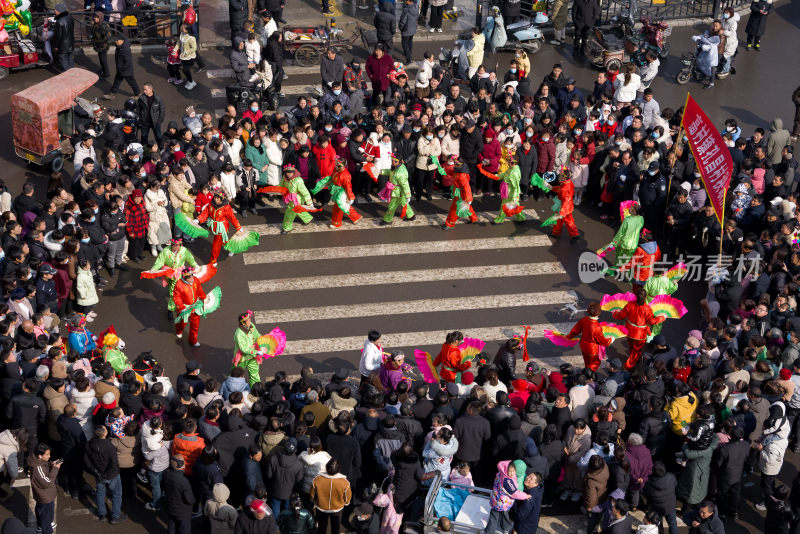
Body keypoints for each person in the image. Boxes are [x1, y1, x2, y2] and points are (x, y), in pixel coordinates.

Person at [612, 289, 664, 370]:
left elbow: (621, 315)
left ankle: (635, 357)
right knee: (635, 350)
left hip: (629, 331)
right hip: (640, 335)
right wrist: (661, 317)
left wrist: (615, 313)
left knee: (632, 347)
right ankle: (628, 365)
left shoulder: (630, 305)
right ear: (646, 297)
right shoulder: (647, 308)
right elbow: (652, 321)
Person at [84, 426, 125, 523]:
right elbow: (114, 464)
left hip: (99, 474)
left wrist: (96, 472)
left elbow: (87, 461)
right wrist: (106, 475)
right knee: (116, 495)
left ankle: (102, 515)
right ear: (104, 434)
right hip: (111, 475)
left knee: (100, 494)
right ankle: (115, 516)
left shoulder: (89, 444)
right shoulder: (110, 446)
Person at [196, 191, 243, 264]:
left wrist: (238, 227)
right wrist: (198, 219)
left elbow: (232, 218)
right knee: (223, 239)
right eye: (215, 197)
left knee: (216, 244)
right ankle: (231, 248)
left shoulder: (226, 207)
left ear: (222, 199)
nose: (216, 199)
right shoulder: (210, 205)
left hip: (221, 228)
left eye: (218, 198)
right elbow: (205, 213)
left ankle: (213, 261)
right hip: (213, 226)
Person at [567, 302, 613, 371]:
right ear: (598, 313)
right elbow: (602, 340)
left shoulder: (584, 319)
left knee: (587, 361)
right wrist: (610, 339)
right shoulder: (596, 327)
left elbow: (575, 330)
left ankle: (587, 371)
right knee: (595, 363)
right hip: (592, 349)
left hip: (583, 345)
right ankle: (590, 375)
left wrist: (568, 336)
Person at [311, 458, 351, 534]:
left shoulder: (317, 479)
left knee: (321, 528)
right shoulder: (345, 482)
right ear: (338, 469)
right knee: (336, 528)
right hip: (337, 509)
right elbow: (347, 498)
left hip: (321, 508)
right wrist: (345, 503)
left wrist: (316, 501)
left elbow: (312, 495)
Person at [29, 442, 62, 534]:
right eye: (47, 454)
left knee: (41, 510)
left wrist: (51, 464)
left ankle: (40, 526)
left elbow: (44, 466)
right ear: (39, 456)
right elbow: (46, 482)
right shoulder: (38, 468)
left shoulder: (37, 461)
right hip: (45, 496)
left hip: (41, 496)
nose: (49, 456)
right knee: (46, 515)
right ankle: (47, 530)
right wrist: (55, 468)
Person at [172, 266, 207, 347]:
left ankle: (193, 340)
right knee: (182, 322)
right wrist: (181, 307)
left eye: (192, 275)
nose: (191, 278)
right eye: (188, 277)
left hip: (195, 306)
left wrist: (204, 297)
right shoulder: (179, 284)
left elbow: (199, 289)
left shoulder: (196, 281)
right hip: (185, 308)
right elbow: (176, 297)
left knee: (195, 325)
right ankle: (179, 330)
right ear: (184, 278)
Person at [163, 454, 195, 534]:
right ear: (181, 465)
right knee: (184, 530)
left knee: (171, 528)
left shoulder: (166, 473)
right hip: (183, 512)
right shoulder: (184, 481)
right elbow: (190, 500)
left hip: (170, 508)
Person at [442, 156, 477, 228]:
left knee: (454, 209)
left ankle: (450, 223)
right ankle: (474, 218)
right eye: (454, 162)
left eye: (455, 163)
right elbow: (452, 172)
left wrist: (469, 198)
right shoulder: (460, 169)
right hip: (459, 192)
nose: (454, 164)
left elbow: (467, 187)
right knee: (466, 206)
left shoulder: (462, 175)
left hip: (461, 194)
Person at [103, 35, 140, 100]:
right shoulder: (119, 47)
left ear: (121, 41)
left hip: (126, 71)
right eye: (115, 41)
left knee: (131, 82)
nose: (116, 42)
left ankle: (138, 94)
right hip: (121, 70)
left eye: (117, 41)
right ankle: (112, 94)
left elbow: (128, 62)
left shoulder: (125, 49)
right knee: (116, 82)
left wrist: (121, 68)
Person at [549, 168, 580, 241]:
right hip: (567, 207)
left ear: (564, 177)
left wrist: (562, 211)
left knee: (561, 220)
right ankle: (574, 234)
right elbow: (560, 188)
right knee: (568, 221)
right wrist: (552, 188)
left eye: (560, 175)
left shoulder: (565, 188)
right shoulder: (568, 182)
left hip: (564, 207)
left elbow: (565, 199)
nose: (559, 176)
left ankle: (556, 233)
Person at [52, 4, 74, 72]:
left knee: (64, 62)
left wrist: (55, 46)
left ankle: (69, 76)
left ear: (59, 11)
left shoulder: (59, 21)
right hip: (71, 43)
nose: (54, 11)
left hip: (63, 45)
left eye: (55, 9)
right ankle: (73, 74)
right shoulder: (70, 17)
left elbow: (58, 36)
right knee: (70, 60)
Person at [90, 11, 110, 79]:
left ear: (100, 18)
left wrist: (99, 41)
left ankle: (106, 74)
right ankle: (102, 69)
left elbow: (107, 37)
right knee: (101, 59)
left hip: (103, 46)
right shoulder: (96, 24)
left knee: (103, 60)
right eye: (95, 17)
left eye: (96, 17)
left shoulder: (103, 26)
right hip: (98, 46)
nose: (95, 18)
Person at [398, 0, 418, 65]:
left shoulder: (406, 10)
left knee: (404, 44)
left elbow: (402, 21)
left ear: (409, 1)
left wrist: (400, 28)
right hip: (413, 28)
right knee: (410, 41)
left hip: (406, 30)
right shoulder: (416, 7)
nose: (404, 1)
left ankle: (409, 58)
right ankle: (409, 52)